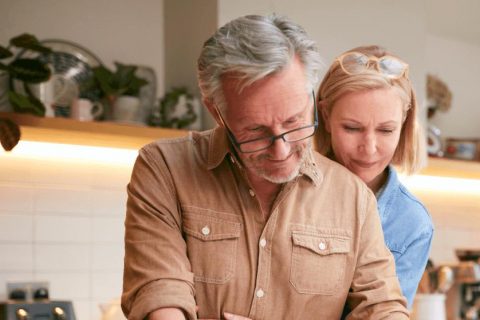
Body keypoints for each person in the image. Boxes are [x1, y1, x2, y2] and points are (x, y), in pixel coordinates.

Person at [121, 15, 409, 320]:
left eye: (294, 121)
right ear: (216, 111)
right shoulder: (164, 169)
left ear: (311, 99)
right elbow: (160, 291)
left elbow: (382, 307)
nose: (281, 150)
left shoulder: (353, 196)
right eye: (256, 131)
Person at [315, 45, 434, 309]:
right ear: (325, 115)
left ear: (404, 123)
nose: (369, 148)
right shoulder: (288, 188)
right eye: (352, 128)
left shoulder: (412, 224)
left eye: (386, 130)